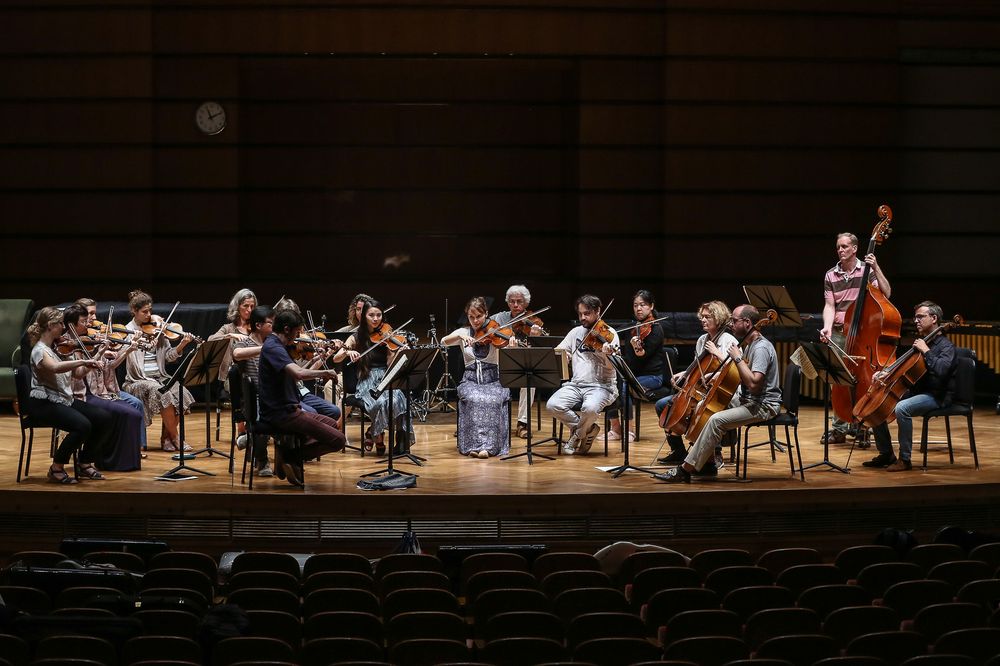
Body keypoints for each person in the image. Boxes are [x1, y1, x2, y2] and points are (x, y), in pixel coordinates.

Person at [654, 304, 780, 483]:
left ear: (747, 323)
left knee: (715, 419)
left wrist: (737, 358)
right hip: (749, 400)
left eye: (735, 321)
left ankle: (685, 469)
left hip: (763, 405)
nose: (731, 324)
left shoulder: (760, 348)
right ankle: (707, 464)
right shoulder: (750, 344)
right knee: (705, 409)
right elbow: (740, 377)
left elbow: (753, 384)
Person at [864, 301, 957, 472]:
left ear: (934, 318)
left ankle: (904, 459)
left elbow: (942, 371)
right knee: (877, 406)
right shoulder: (922, 342)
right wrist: (886, 374)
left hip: (937, 396)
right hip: (919, 391)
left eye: (920, 317)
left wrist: (926, 351)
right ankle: (886, 454)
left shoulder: (946, 346)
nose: (916, 321)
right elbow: (906, 369)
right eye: (915, 318)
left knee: (902, 408)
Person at [257, 309, 346, 486]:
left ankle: (288, 451)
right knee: (339, 440)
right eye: (297, 332)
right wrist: (324, 372)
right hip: (282, 414)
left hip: (289, 409)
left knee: (332, 424)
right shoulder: (273, 347)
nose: (299, 336)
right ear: (287, 329)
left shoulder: (277, 345)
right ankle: (290, 456)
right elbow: (297, 373)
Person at [819, 232, 891, 444]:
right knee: (839, 380)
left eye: (844, 247)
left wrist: (876, 267)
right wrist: (827, 327)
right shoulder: (831, 275)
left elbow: (886, 293)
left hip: (862, 333)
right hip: (841, 332)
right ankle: (839, 428)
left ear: (855, 248)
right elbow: (830, 305)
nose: (840, 250)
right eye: (838, 247)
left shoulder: (866, 271)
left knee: (864, 380)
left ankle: (862, 427)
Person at [25, 306, 112, 484]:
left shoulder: (58, 348)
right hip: (43, 403)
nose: (64, 328)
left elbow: (78, 373)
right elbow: (55, 369)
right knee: (82, 425)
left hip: (62, 399)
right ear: (50, 325)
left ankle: (85, 462)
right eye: (60, 324)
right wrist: (83, 360)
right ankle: (56, 467)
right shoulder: (39, 350)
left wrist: (97, 355)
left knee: (104, 418)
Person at [654, 300, 737, 464]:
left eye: (707, 317)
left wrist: (717, 353)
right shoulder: (702, 340)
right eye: (702, 317)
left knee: (703, 409)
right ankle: (678, 450)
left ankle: (715, 452)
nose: (703, 320)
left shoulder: (729, 340)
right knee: (663, 405)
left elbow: (736, 369)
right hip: (702, 390)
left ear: (719, 318)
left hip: (723, 393)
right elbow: (700, 367)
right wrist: (683, 373)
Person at [64, 304, 144, 471]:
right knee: (127, 412)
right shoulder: (66, 346)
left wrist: (127, 348)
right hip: (81, 396)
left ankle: (119, 460)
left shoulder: (86, 341)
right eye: (83, 321)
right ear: (71, 324)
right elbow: (78, 374)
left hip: (96, 393)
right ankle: (108, 460)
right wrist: (98, 353)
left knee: (134, 411)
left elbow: (107, 368)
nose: (88, 324)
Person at [333, 299, 412, 456]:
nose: (376, 319)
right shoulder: (356, 337)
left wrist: (397, 352)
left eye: (378, 315)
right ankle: (376, 435)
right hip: (366, 381)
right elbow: (336, 358)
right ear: (364, 317)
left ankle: (400, 442)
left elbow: (390, 364)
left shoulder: (387, 334)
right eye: (371, 315)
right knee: (379, 402)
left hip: (385, 378)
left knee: (399, 399)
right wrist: (348, 352)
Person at [123, 289, 197, 452]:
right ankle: (176, 437)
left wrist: (182, 345)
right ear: (134, 311)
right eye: (144, 312)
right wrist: (140, 341)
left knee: (181, 393)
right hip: (139, 380)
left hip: (160, 376)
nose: (149, 315)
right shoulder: (128, 332)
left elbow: (170, 357)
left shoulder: (158, 330)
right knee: (162, 392)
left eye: (150, 310)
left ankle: (166, 438)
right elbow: (128, 359)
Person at [546, 295, 620, 455]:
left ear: (598, 311)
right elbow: (560, 351)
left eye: (586, 314)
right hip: (576, 385)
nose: (582, 318)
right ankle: (589, 430)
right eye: (580, 314)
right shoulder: (576, 332)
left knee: (590, 408)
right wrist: (563, 356)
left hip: (602, 386)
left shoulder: (610, 335)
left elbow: (612, 367)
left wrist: (607, 354)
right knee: (552, 405)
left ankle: (577, 435)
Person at [441, 297, 511, 458]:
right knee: (473, 398)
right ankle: (472, 445)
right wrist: (460, 338)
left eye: (478, 316)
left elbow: (508, 349)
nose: (475, 321)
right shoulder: (463, 332)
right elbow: (443, 341)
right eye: (471, 317)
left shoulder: (495, 332)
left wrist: (512, 343)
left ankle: (489, 447)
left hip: (493, 381)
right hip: (470, 381)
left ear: (486, 314)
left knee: (492, 400)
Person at [607, 289, 665, 443]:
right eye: (635, 305)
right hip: (633, 375)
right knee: (609, 384)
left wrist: (637, 347)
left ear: (651, 306)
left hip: (653, 377)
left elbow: (642, 356)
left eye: (643, 305)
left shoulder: (656, 329)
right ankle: (615, 428)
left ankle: (630, 431)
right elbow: (621, 348)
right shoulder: (633, 327)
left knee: (626, 388)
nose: (639, 309)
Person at [273, 298, 343, 423]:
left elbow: (306, 371)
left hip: (300, 390)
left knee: (334, 411)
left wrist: (326, 354)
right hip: (285, 393)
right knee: (312, 413)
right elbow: (299, 374)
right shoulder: (276, 344)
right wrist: (324, 372)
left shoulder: (299, 342)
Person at [491, 285, 545, 439]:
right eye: (512, 301)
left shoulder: (533, 322)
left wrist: (536, 337)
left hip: (522, 364)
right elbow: (485, 328)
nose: (515, 305)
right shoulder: (499, 318)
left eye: (519, 302)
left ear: (526, 303)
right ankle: (487, 423)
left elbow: (538, 349)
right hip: (501, 362)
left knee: (530, 380)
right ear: (508, 302)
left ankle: (523, 423)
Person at [232, 305, 275, 476]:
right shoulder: (244, 343)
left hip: (271, 395)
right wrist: (264, 350)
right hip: (253, 398)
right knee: (263, 420)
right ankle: (263, 461)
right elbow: (237, 353)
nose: (274, 328)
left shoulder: (272, 342)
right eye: (271, 324)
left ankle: (250, 439)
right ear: (258, 325)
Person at [208, 288, 257, 384]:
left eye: (252, 306)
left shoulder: (256, 328)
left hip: (254, 374)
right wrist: (230, 335)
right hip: (231, 377)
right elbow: (210, 339)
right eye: (246, 306)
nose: (250, 310)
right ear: (237, 307)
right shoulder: (228, 328)